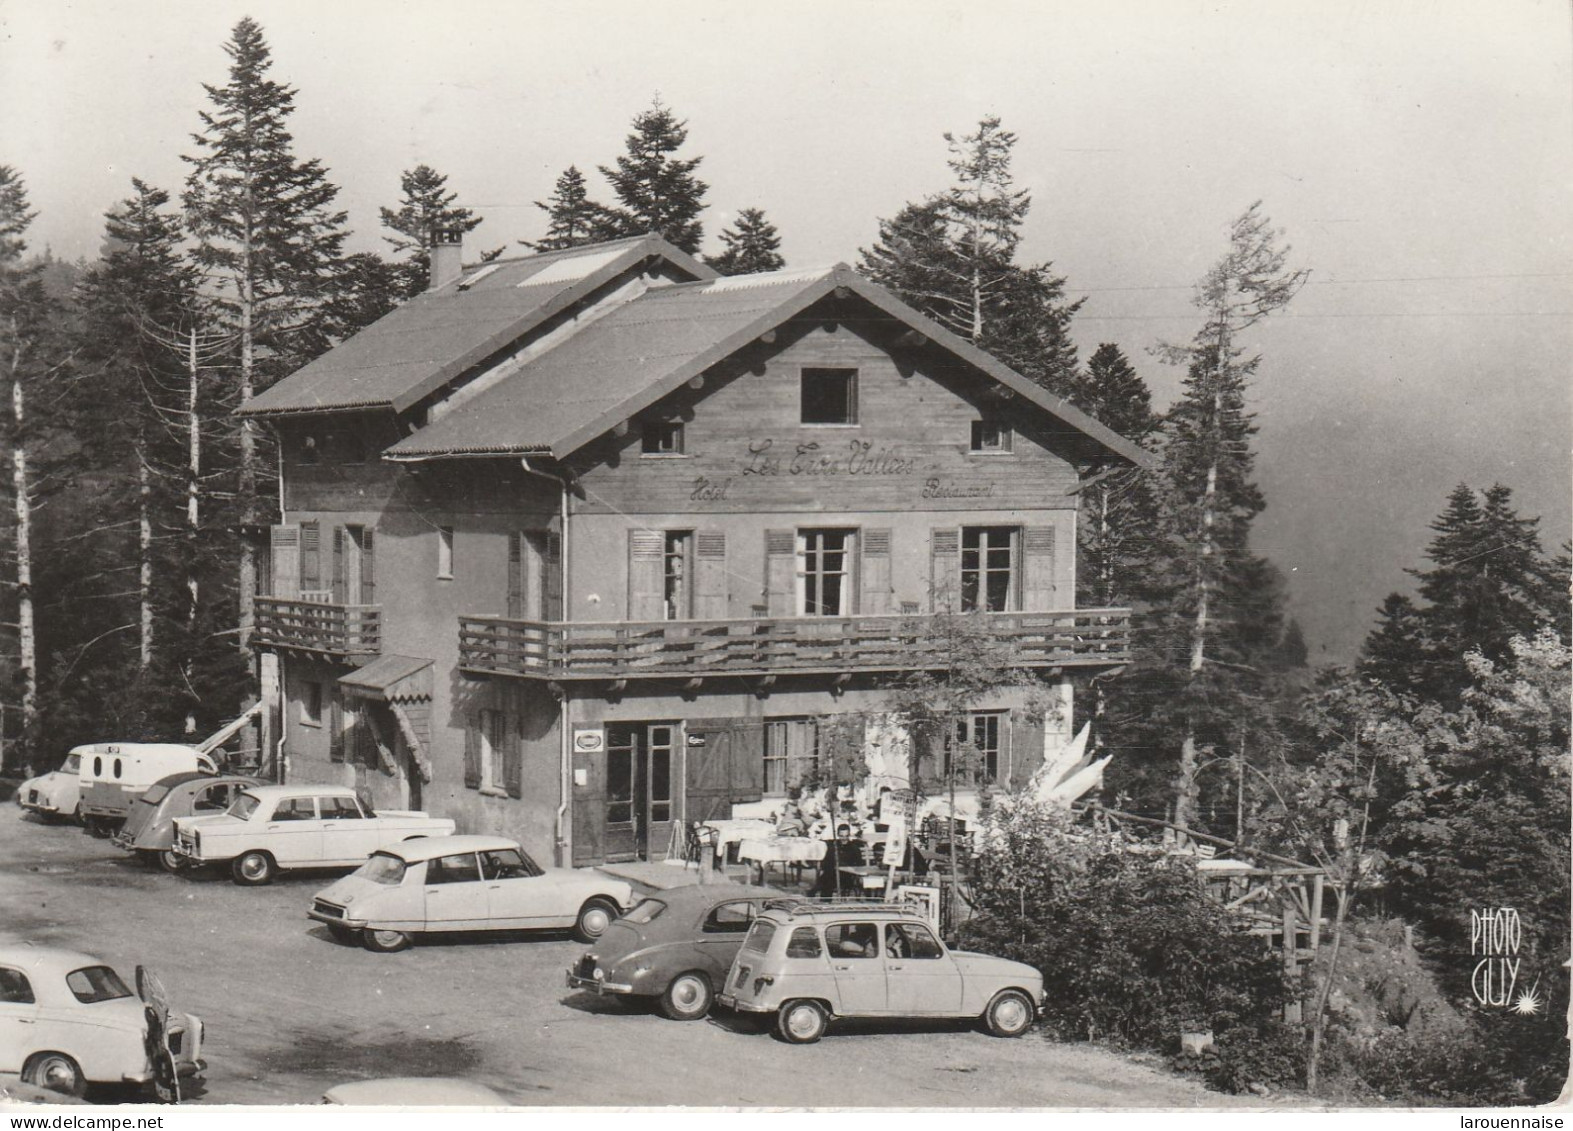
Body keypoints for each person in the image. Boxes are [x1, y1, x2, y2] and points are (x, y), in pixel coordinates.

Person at [809, 823, 866, 897]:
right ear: (838, 835)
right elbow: (826, 861)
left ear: (849, 835)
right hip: (833, 872)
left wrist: (847, 867)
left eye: (846, 836)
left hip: (847, 876)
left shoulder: (854, 848)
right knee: (829, 874)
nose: (844, 838)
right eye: (841, 836)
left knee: (828, 876)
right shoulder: (834, 846)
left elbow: (859, 864)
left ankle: (818, 893)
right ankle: (824, 899)